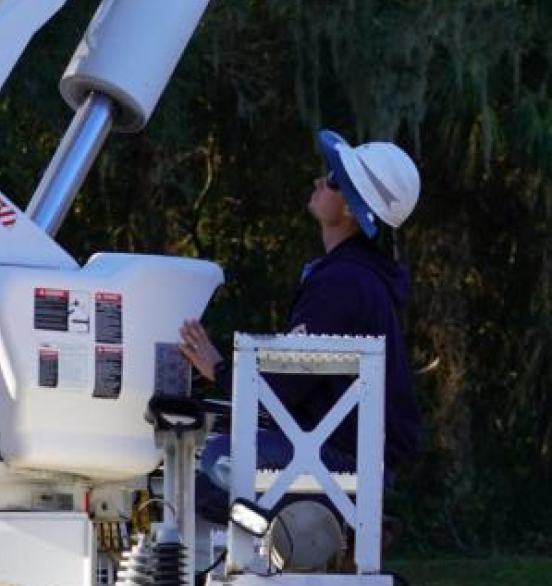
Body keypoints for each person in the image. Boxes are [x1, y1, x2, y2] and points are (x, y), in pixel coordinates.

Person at [179, 130, 423, 524]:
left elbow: (285, 387)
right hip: (353, 459)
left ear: (349, 207)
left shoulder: (341, 282)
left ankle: (284, 547)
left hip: (340, 462)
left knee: (205, 469)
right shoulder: (358, 277)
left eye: (331, 179)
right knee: (209, 472)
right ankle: (285, 546)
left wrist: (216, 369)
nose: (318, 181)